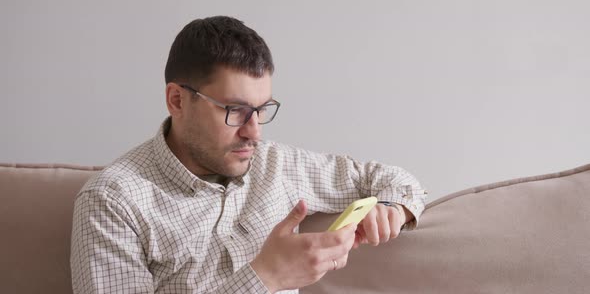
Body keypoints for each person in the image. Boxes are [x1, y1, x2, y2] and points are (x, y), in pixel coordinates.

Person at [70, 16, 427, 294]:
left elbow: (397, 181)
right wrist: (266, 276)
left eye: (262, 109)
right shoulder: (113, 200)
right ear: (177, 100)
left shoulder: (277, 166)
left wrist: (393, 208)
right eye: (235, 110)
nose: (254, 131)